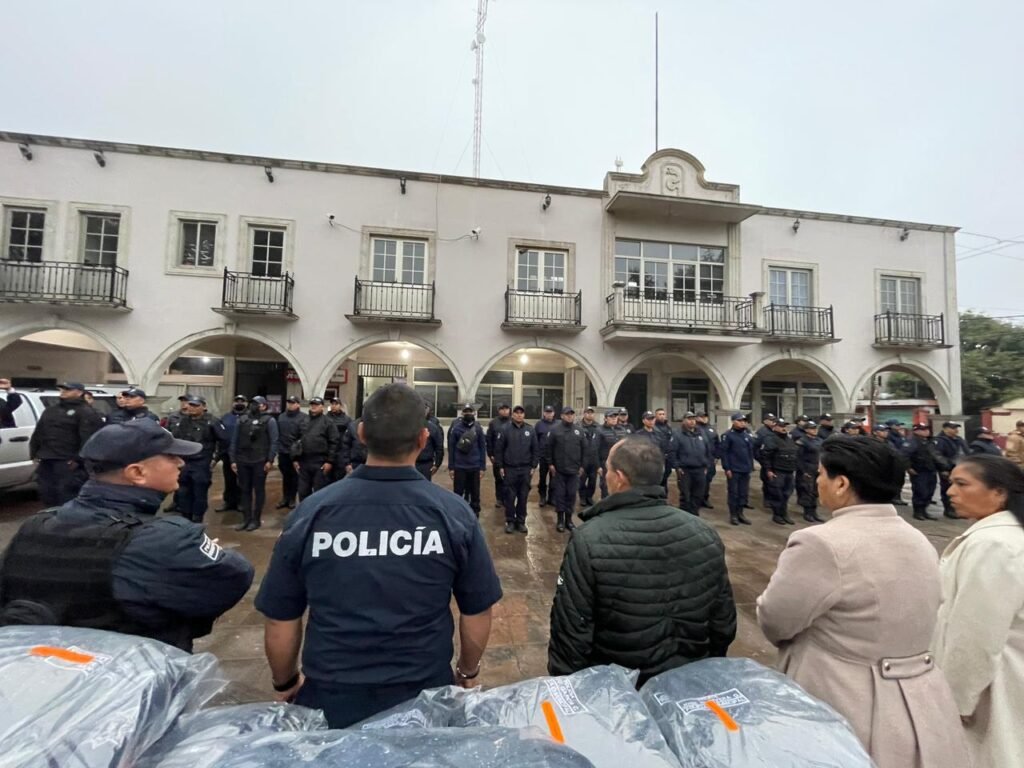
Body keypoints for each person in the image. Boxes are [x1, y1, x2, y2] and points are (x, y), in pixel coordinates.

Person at [255, 383, 502, 728]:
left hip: (331, 694)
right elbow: (477, 609)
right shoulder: (453, 514)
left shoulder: (312, 512)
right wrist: (467, 671)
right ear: (422, 440)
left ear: (360, 434)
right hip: (424, 694)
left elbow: (281, 615)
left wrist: (285, 681)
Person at [756, 437, 971, 768]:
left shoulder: (820, 542)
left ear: (841, 484)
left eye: (821, 474)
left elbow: (776, 619)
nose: (816, 481)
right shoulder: (916, 537)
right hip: (922, 700)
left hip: (847, 700)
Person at [0, 419, 254, 651]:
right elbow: (235, 576)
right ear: (137, 473)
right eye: (170, 456)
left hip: (45, 677)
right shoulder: (164, 539)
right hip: (131, 681)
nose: (180, 462)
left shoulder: (35, 525)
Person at [548, 437, 736, 684]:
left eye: (608, 469)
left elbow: (571, 630)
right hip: (689, 682)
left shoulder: (589, 540)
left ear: (620, 477)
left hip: (621, 689)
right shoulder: (704, 532)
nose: (604, 474)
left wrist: (572, 689)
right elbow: (723, 623)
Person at [932, 455, 1024, 768]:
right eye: (950, 483)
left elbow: (976, 635)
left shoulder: (994, 545)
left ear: (999, 493)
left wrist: (954, 702)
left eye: (961, 484)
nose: (949, 492)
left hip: (992, 688)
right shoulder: (997, 537)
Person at [29, 382, 104, 507]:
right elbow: (39, 431)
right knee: (47, 493)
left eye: (68, 389)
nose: (63, 391)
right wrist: (34, 452)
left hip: (67, 461)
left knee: (66, 495)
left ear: (79, 392)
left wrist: (78, 460)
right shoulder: (51, 410)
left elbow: (89, 438)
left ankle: (67, 522)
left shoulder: (86, 412)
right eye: (62, 389)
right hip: (47, 458)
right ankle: (50, 519)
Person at [170, 396, 228, 523]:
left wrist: (215, 458)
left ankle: (197, 520)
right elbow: (176, 439)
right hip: (184, 462)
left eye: (196, 405)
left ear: (204, 407)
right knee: (183, 492)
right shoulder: (183, 421)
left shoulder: (212, 421)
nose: (191, 408)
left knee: (199, 493)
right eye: (190, 405)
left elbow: (224, 441)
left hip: (201, 462)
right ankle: (185, 518)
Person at [229, 395, 279, 532]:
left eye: (257, 404)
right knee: (244, 490)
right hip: (243, 460)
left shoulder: (269, 421)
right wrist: (233, 460)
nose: (253, 406)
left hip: (260, 460)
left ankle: (255, 519)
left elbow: (274, 441)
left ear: (264, 406)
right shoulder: (242, 419)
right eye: (252, 403)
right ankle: (246, 519)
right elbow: (234, 440)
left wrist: (270, 460)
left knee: (259, 490)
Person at [493, 404, 537, 533]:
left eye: (521, 413)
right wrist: (500, 466)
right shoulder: (505, 429)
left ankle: (521, 521)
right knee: (510, 497)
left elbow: (535, 449)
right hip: (510, 469)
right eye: (516, 412)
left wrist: (534, 466)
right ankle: (510, 521)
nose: (519, 415)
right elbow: (499, 450)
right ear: (512, 415)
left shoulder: (530, 430)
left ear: (524, 415)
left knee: (523, 497)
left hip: (525, 469)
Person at [545, 406, 585, 532]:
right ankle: (560, 520)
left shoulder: (579, 431)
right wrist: (550, 464)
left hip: (574, 470)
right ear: (562, 416)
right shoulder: (555, 430)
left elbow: (585, 450)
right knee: (560, 495)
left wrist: (582, 466)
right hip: (559, 470)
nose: (570, 416)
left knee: (572, 495)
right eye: (567, 414)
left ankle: (569, 520)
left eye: (572, 414)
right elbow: (548, 449)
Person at [292, 397, 340, 501]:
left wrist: (329, 461)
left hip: (320, 463)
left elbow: (334, 443)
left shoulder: (328, 422)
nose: (313, 406)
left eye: (316, 404)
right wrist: (295, 458)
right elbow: (296, 440)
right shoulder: (303, 421)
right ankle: (305, 516)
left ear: (322, 406)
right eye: (312, 404)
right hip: (304, 462)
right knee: (303, 492)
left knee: (319, 493)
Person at [448, 404, 486, 516]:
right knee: (458, 492)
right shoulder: (456, 429)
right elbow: (451, 448)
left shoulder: (478, 429)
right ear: (462, 413)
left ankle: (475, 513)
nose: (468, 413)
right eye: (466, 411)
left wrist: (482, 467)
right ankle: (458, 512)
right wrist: (451, 467)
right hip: (460, 467)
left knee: (475, 493)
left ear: (474, 413)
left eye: (470, 411)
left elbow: (482, 448)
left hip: (474, 467)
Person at [903, 422, 942, 521]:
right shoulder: (912, 442)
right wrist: (909, 468)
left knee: (930, 491)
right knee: (921, 491)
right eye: (923, 429)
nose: (926, 431)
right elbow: (904, 456)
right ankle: (918, 511)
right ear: (916, 431)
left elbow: (936, 455)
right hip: (919, 471)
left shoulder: (930, 441)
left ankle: (924, 510)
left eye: (927, 429)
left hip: (931, 470)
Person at [762, 420, 798, 525]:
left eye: (785, 426)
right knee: (777, 494)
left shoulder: (789, 439)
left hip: (789, 471)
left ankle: (784, 513)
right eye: (781, 426)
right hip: (777, 471)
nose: (784, 428)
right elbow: (766, 456)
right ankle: (777, 515)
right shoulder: (770, 439)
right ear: (775, 427)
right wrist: (768, 470)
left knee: (787, 493)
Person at [274, 396, 308, 509]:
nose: (290, 405)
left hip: (296, 454)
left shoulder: (304, 418)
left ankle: (292, 499)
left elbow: (304, 436)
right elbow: (277, 434)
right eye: (289, 402)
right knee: (285, 476)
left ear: (298, 404)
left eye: (293, 403)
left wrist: (298, 452)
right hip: (283, 452)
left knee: (295, 477)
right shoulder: (282, 417)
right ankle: (285, 498)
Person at [215, 395, 248, 512]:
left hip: (244, 455)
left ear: (247, 403)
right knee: (229, 480)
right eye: (237, 401)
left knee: (243, 481)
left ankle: (241, 502)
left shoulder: (249, 417)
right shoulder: (225, 417)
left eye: (242, 401)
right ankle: (228, 502)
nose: (239, 403)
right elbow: (219, 436)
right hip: (227, 455)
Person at [720, 413, 754, 526]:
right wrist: (727, 468)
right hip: (734, 469)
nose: (743, 422)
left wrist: (751, 466)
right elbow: (724, 453)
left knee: (743, 493)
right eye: (740, 421)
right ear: (733, 421)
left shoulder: (747, 435)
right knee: (734, 493)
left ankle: (741, 513)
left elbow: (750, 452)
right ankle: (733, 515)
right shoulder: (728, 435)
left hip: (745, 469)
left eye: (744, 421)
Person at [673, 412, 708, 516]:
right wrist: (677, 466)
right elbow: (672, 452)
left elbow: (707, 450)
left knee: (698, 494)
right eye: (689, 419)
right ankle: (684, 516)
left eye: (693, 419)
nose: (692, 421)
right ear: (684, 420)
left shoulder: (701, 433)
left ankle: (694, 514)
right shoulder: (677, 434)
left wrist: (706, 465)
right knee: (685, 495)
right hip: (685, 470)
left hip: (700, 469)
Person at [937, 421, 970, 519]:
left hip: (962, 468)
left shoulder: (959, 439)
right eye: (953, 428)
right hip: (948, 469)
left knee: (961, 490)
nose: (956, 430)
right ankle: (949, 510)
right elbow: (937, 456)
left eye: (956, 428)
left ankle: (959, 509)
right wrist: (943, 468)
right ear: (945, 429)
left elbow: (966, 452)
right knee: (949, 490)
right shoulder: (940, 440)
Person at [795, 421, 825, 523]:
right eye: (812, 428)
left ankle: (814, 512)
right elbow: (798, 458)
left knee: (816, 492)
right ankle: (807, 512)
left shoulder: (819, 440)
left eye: (815, 428)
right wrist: (803, 471)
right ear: (806, 430)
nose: (815, 430)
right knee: (807, 491)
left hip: (817, 469)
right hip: (807, 469)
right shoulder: (802, 441)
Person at [636, 410, 674, 491]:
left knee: (661, 487)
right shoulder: (638, 434)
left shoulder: (659, 434)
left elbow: (665, 450)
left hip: (658, 466)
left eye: (652, 419)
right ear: (643, 421)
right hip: (645, 467)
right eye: (648, 419)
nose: (651, 421)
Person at [486, 403, 511, 509]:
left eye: (506, 409)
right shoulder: (493, 423)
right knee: (499, 478)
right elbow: (489, 439)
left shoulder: (512, 422)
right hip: (497, 456)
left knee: (509, 479)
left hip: (510, 456)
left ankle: (507, 498)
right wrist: (491, 454)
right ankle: (499, 499)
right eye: (502, 409)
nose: (504, 411)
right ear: (499, 410)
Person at [415, 403, 445, 481]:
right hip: (411, 463)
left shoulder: (433, 428)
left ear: (428, 410)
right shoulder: (408, 427)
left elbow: (439, 447)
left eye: (425, 409)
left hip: (426, 464)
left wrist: (437, 464)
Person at [695, 412, 719, 509]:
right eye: (701, 417)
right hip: (699, 460)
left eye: (705, 417)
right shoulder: (695, 428)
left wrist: (717, 456)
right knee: (698, 481)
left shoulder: (711, 429)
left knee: (707, 480)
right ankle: (697, 499)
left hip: (710, 459)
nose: (704, 418)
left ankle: (705, 498)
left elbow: (717, 444)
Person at [534, 405, 557, 507]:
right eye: (547, 412)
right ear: (544, 413)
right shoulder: (539, 425)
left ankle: (552, 498)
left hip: (555, 457)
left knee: (554, 478)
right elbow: (535, 441)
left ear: (553, 413)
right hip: (543, 457)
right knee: (542, 478)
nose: (548, 414)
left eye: (550, 412)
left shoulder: (558, 424)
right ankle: (542, 497)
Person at [596, 409, 621, 500]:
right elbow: (595, 449)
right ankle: (606, 504)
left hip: (620, 462)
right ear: (605, 418)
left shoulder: (621, 429)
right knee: (606, 485)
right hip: (605, 462)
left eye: (615, 417)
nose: (614, 419)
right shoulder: (599, 430)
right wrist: (598, 466)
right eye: (611, 417)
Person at [578, 407, 600, 507]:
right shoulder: (578, 426)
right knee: (581, 480)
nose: (589, 415)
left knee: (592, 480)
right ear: (584, 414)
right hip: (582, 458)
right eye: (587, 413)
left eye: (591, 413)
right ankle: (582, 497)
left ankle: (589, 497)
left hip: (594, 458)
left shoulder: (598, 427)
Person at [753, 413, 778, 501]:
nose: (773, 422)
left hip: (775, 460)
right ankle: (767, 499)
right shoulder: (761, 432)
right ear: (765, 421)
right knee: (767, 481)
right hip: (765, 460)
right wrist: (761, 459)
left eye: (774, 420)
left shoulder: (775, 430)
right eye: (771, 420)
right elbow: (755, 447)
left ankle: (773, 498)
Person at [327, 399, 352, 482]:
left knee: (339, 477)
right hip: (328, 452)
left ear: (340, 406)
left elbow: (350, 436)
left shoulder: (347, 419)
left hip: (341, 451)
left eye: (336, 404)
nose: (333, 406)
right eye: (332, 404)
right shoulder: (325, 418)